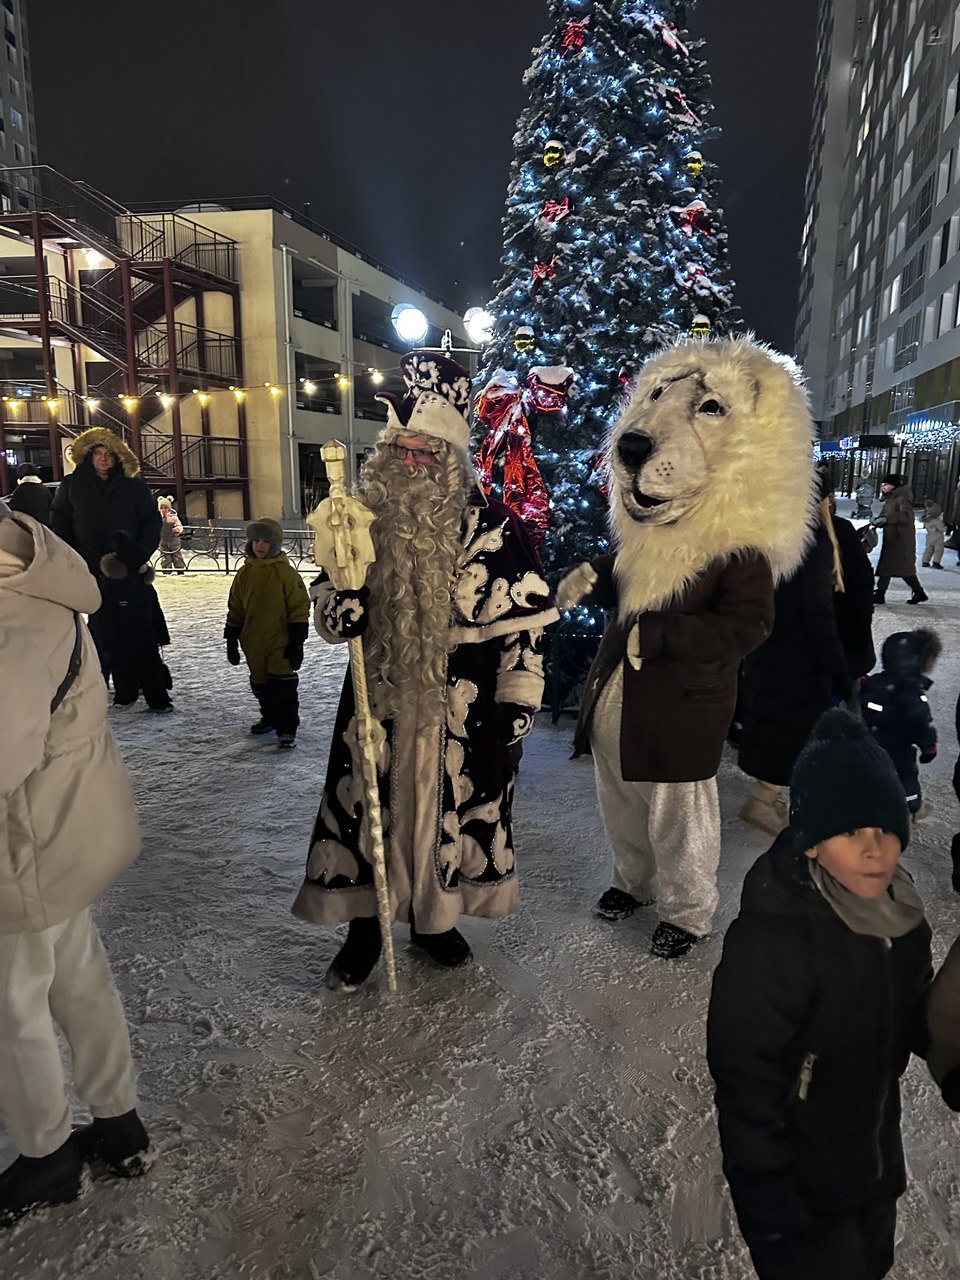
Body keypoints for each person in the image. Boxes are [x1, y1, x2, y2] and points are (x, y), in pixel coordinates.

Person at [292, 351, 558, 989]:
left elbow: (524, 628)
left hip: (460, 705)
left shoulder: (493, 528)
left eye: (425, 453)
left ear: (451, 459)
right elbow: (327, 591)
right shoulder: (359, 522)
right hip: (378, 698)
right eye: (400, 451)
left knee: (453, 807)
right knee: (368, 807)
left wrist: (517, 701)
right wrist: (339, 609)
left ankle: (435, 922)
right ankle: (365, 926)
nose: (410, 464)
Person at [557, 337, 815, 958]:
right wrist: (594, 576)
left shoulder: (739, 549)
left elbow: (747, 626)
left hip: (680, 708)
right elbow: (630, 575)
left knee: (680, 816)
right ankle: (633, 881)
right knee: (621, 803)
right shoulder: (646, 538)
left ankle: (688, 909)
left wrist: (661, 635)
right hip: (617, 700)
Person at [708, 709, 933, 1280]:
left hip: (871, 1155)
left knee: (870, 1262)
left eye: (885, 830)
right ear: (810, 844)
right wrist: (769, 1200)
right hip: (797, 1184)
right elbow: (745, 1077)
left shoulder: (902, 916)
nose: (875, 850)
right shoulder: (774, 937)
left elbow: (914, 1015)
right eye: (851, 832)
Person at [0, 501, 150, 1228]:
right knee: (76, 978)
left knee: (12, 1004)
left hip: (23, 842)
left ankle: (47, 1152)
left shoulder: (12, 616)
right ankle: (118, 1121)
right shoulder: (32, 579)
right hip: (59, 825)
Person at [738, 496, 849, 837]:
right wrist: (838, 668)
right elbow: (817, 611)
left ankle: (765, 797)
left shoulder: (769, 533)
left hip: (766, 648)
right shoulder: (811, 540)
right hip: (797, 658)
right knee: (790, 731)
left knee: (773, 725)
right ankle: (762, 800)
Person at [51, 428, 162, 674]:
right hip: (88, 566)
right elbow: (60, 521)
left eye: (109, 454)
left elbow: (151, 522)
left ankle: (138, 676)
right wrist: (72, 556)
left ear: (118, 457)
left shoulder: (134, 486)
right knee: (99, 624)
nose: (103, 458)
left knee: (134, 623)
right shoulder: (72, 485)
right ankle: (100, 674)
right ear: (88, 456)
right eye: (98, 453)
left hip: (126, 567)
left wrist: (139, 555)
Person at [224, 518, 309, 749]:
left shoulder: (285, 573)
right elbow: (236, 607)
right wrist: (231, 638)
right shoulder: (244, 574)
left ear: (275, 544)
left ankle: (287, 728)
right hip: (253, 642)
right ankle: (269, 717)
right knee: (260, 684)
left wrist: (297, 641)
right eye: (256, 541)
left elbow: (299, 607)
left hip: (280, 640)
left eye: (265, 541)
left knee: (282, 686)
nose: (259, 546)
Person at [861, 629, 939, 819]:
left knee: (872, 774)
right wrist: (929, 746)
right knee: (906, 776)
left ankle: (868, 805)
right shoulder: (912, 693)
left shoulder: (874, 682)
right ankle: (911, 807)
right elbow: (920, 722)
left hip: (870, 742)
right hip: (899, 748)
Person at [98, 530, 174, 711]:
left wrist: (162, 635)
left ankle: (159, 701)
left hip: (147, 638)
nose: (146, 566)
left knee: (153, 670)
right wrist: (108, 643)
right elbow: (105, 619)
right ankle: (125, 697)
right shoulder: (111, 588)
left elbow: (155, 612)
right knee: (123, 669)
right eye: (142, 563)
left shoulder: (145, 586)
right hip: (121, 640)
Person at [828, 493, 875, 684]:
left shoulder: (840, 531)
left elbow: (861, 584)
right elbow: (862, 585)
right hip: (842, 642)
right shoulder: (841, 530)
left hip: (840, 639)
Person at [872, 473, 927, 604]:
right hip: (893, 538)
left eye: (885, 485)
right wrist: (878, 519)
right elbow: (886, 513)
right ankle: (881, 593)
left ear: (893, 485)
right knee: (890, 567)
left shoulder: (902, 497)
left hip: (901, 538)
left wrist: (887, 519)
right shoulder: (891, 497)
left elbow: (906, 515)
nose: (883, 487)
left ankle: (918, 592)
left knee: (901, 568)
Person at [157, 495, 186, 574]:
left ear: (169, 508)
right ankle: (166, 570)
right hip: (163, 540)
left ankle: (180, 570)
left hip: (174, 540)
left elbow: (179, 525)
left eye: (165, 508)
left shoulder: (173, 517)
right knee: (165, 556)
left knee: (177, 555)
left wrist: (177, 529)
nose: (163, 509)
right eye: (161, 508)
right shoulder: (157, 517)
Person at [920, 498, 946, 568]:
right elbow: (941, 528)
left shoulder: (927, 519)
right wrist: (947, 528)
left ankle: (925, 561)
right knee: (938, 550)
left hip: (929, 536)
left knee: (929, 549)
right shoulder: (936, 520)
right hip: (938, 537)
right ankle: (936, 562)